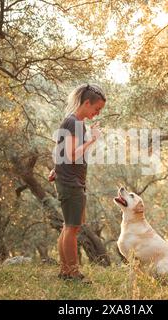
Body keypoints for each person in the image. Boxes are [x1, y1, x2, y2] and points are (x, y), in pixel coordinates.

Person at [49, 83, 106, 282]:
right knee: (72, 228)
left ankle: (65, 271)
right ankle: (73, 273)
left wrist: (56, 169)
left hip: (70, 179)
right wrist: (93, 140)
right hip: (71, 182)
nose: (96, 114)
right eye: (96, 109)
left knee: (69, 227)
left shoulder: (74, 122)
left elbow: (61, 151)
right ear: (87, 102)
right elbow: (72, 155)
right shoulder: (74, 122)